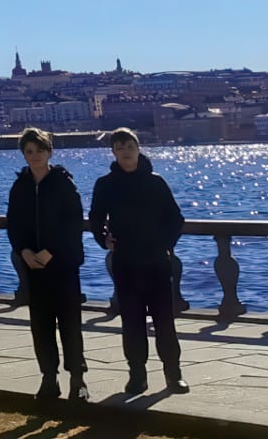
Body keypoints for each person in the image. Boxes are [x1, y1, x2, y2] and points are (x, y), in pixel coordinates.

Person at [89, 128, 187, 396]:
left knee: (164, 320)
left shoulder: (155, 182)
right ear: (113, 152)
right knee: (131, 321)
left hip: (156, 261)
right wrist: (103, 239)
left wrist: (166, 245)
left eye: (129, 146)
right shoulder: (106, 184)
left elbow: (175, 218)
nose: (125, 151)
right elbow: (95, 217)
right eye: (119, 147)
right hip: (126, 262)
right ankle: (137, 375)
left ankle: (173, 374)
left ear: (138, 148)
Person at [7, 128, 90, 403]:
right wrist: (24, 250)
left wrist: (52, 251)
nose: (35, 156)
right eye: (29, 152)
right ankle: (48, 377)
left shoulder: (63, 183)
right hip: (33, 267)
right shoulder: (20, 187)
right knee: (40, 324)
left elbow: (73, 222)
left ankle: (77, 377)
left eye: (39, 150)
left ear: (49, 152)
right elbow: (14, 223)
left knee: (69, 322)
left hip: (63, 264)